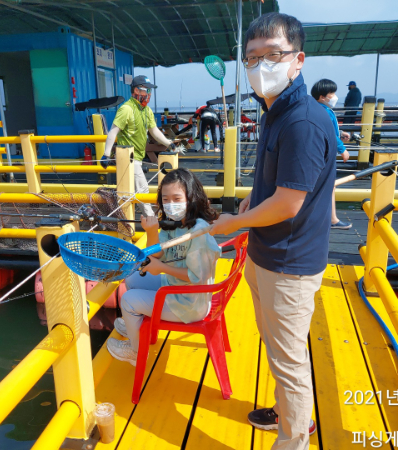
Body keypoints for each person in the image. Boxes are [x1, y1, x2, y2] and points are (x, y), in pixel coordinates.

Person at [211, 12, 337, 450]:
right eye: (251, 58)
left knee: (288, 361)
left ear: (297, 60)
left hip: (289, 264)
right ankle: (289, 414)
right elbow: (278, 183)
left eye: (272, 55)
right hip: (267, 254)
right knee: (277, 347)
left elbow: (288, 204)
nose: (260, 66)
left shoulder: (302, 121)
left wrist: (234, 222)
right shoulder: (274, 110)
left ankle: (293, 439)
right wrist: (252, 198)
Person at [107, 168, 221, 365]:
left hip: (190, 304)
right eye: (166, 200)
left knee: (128, 301)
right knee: (132, 278)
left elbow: (198, 278)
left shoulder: (199, 232)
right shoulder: (175, 223)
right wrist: (151, 231)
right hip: (176, 288)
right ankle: (136, 328)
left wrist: (162, 268)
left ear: (191, 198)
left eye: (177, 199)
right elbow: (158, 253)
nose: (171, 205)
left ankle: (136, 352)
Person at [101, 75, 177, 216]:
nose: (149, 94)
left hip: (138, 157)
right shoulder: (126, 109)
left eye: (150, 91)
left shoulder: (146, 110)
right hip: (128, 158)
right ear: (136, 90)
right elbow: (113, 131)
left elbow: (154, 131)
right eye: (146, 90)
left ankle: (124, 219)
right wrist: (106, 154)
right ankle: (151, 220)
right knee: (142, 190)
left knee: (128, 192)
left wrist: (169, 143)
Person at [311, 79, 352, 230]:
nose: (335, 97)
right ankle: (332, 219)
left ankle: (329, 218)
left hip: (319, 152)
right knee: (328, 185)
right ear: (322, 97)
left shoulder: (316, 108)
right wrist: (342, 149)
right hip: (324, 154)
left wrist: (341, 133)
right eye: (332, 94)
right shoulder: (324, 111)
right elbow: (329, 133)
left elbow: (330, 130)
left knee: (324, 185)